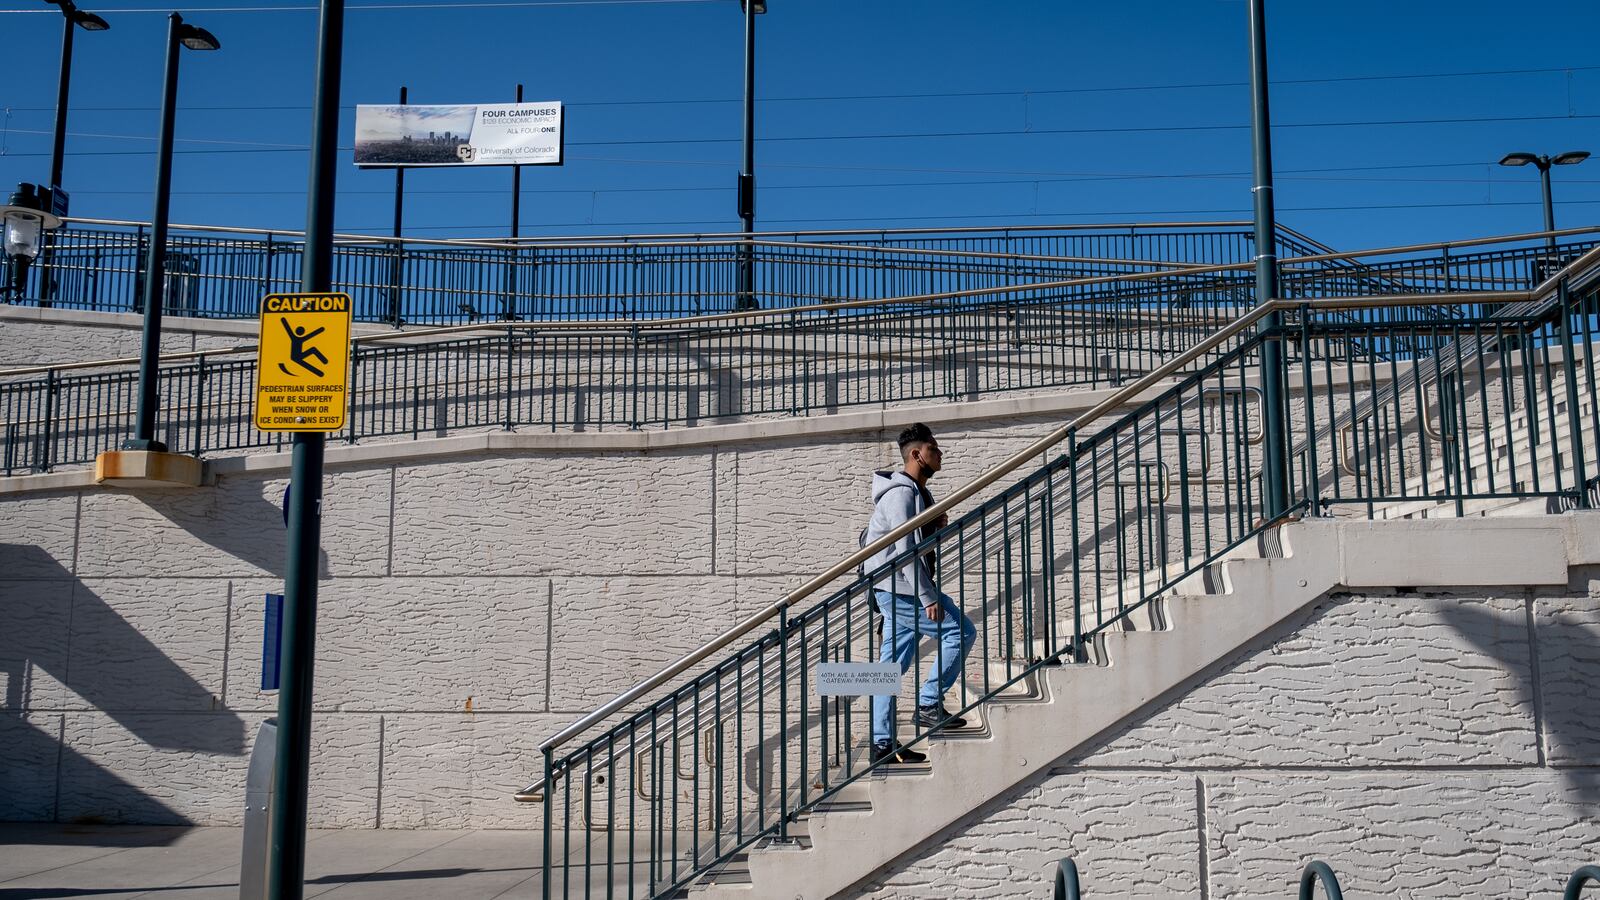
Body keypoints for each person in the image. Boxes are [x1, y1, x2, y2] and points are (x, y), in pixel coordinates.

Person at [861, 423, 977, 764]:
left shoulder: (916, 493)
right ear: (917, 454)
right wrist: (928, 598)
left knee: (889, 669)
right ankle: (928, 703)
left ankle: (882, 745)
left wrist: (934, 526)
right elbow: (904, 550)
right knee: (961, 631)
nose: (940, 455)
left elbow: (915, 545)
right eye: (934, 449)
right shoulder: (901, 494)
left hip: (898, 587)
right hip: (901, 590)